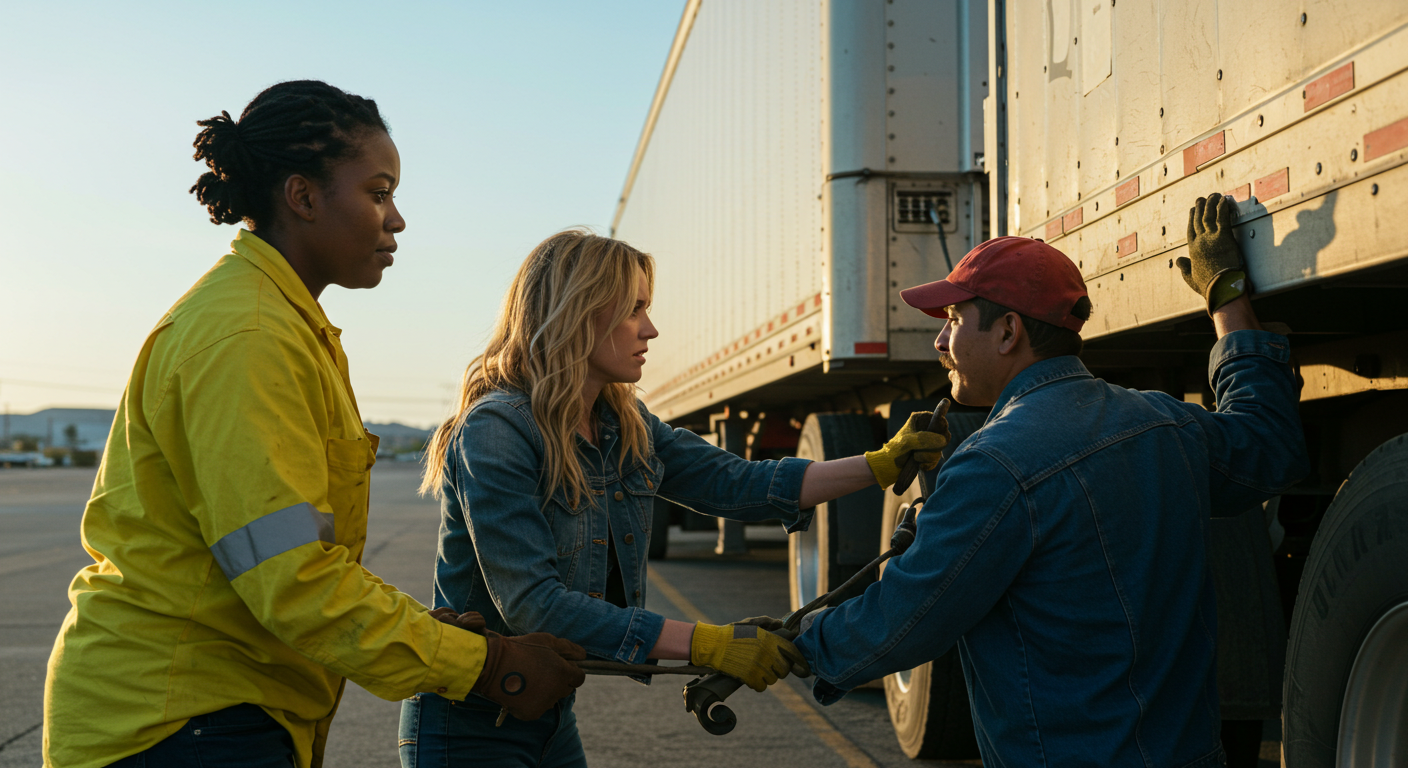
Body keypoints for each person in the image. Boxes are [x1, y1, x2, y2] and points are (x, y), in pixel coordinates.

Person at [43, 80, 585, 768]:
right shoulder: (249, 338)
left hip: (214, 712)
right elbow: (294, 578)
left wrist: (427, 632)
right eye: (379, 193)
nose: (397, 220)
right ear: (302, 197)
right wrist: (485, 665)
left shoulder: (282, 324)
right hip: (176, 724)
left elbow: (296, 558)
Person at [790, 193, 1310, 767]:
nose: (940, 342)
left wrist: (797, 643)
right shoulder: (1165, 423)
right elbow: (1267, 447)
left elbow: (906, 617)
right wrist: (1226, 299)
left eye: (954, 321)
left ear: (1008, 331)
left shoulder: (992, 464)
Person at [401, 229, 948, 767]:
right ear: (577, 313)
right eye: (634, 309)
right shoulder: (496, 430)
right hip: (467, 723)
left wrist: (879, 464)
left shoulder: (623, 421)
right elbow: (533, 604)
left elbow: (738, 483)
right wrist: (707, 643)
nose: (651, 329)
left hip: (546, 710)